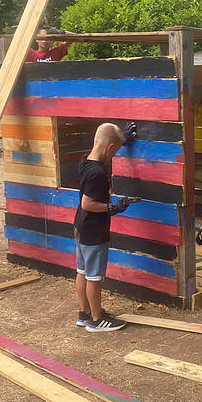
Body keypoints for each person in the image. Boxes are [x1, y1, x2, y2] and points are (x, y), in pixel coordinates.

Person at [74, 122, 137, 332]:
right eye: (116, 150)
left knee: (82, 272)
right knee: (94, 276)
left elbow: (105, 145)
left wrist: (123, 140)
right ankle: (96, 319)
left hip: (81, 226)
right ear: (110, 147)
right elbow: (88, 203)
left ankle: (84, 314)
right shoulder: (98, 174)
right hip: (94, 230)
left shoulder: (85, 161)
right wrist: (113, 208)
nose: (116, 154)